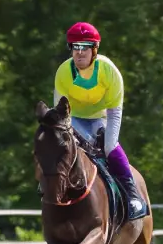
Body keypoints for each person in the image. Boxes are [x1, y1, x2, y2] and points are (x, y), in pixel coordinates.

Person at [53, 21, 147, 220]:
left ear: (94, 50)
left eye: (85, 47)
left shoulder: (109, 72)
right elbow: (60, 113)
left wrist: (107, 141)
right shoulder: (63, 72)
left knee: (110, 146)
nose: (79, 53)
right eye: (75, 47)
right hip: (74, 118)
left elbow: (114, 110)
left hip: (102, 117)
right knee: (61, 146)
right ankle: (51, 189)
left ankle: (132, 195)